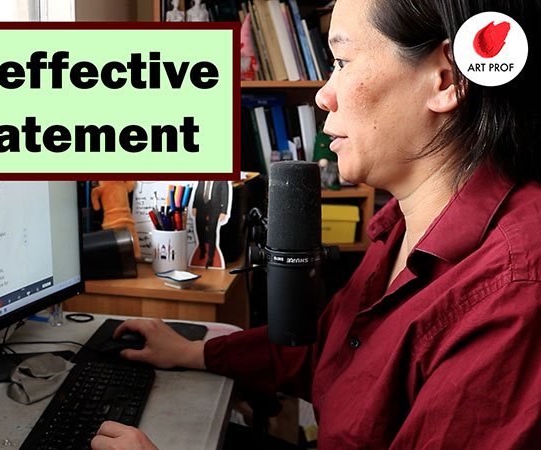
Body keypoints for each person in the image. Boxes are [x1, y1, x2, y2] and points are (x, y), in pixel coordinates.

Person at [91, 0, 541, 448]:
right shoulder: (404, 227)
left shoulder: (514, 295)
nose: (323, 96)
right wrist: (193, 352)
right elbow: (333, 352)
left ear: (446, 79)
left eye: (342, 61)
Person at [189, 180, 229, 268]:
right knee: (199, 228)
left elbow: (225, 194)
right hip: (201, 205)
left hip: (214, 206)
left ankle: (210, 257)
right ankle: (202, 250)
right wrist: (194, 206)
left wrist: (223, 211)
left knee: (212, 231)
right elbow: (198, 190)